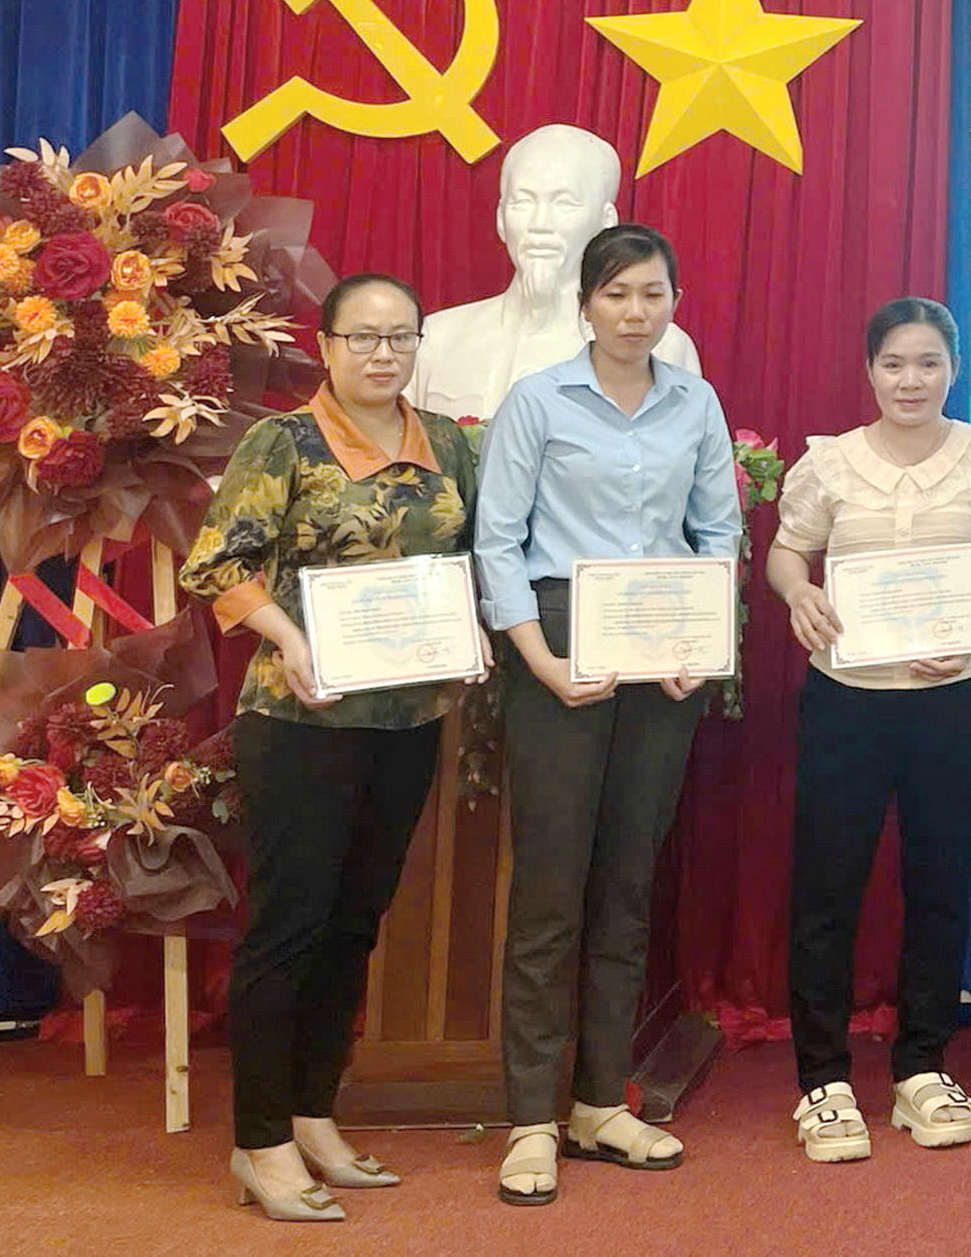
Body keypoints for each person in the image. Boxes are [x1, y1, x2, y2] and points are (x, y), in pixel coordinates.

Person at [183, 273, 484, 1222]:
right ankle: (260, 1142)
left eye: (401, 337)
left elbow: (472, 559)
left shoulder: (451, 445)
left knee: (356, 924)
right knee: (291, 927)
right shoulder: (284, 442)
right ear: (326, 346)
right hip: (302, 720)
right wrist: (290, 638)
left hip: (409, 720)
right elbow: (217, 563)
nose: (383, 354)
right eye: (364, 337)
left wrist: (470, 632)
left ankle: (314, 1114)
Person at [472, 223, 737, 1205]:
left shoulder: (695, 401)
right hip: (557, 636)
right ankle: (530, 1119)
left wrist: (699, 643)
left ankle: (597, 1101)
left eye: (652, 294)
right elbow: (497, 539)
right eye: (617, 293)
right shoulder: (538, 399)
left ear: (675, 303)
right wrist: (537, 658)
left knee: (628, 881)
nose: (635, 312)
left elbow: (717, 529)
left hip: (662, 647)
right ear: (585, 302)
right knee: (550, 887)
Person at [767, 298, 971, 1165]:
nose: (910, 380)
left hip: (953, 700)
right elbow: (785, 550)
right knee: (828, 887)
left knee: (940, 884)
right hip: (846, 698)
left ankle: (923, 1065)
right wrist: (798, 591)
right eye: (893, 364)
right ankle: (823, 1078)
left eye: (928, 363)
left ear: (953, 368)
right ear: (869, 371)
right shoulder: (831, 461)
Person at [415, 125, 700, 422]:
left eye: (564, 203)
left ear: (606, 222)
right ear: (501, 218)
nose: (539, 223)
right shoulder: (438, 338)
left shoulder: (659, 347)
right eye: (523, 201)